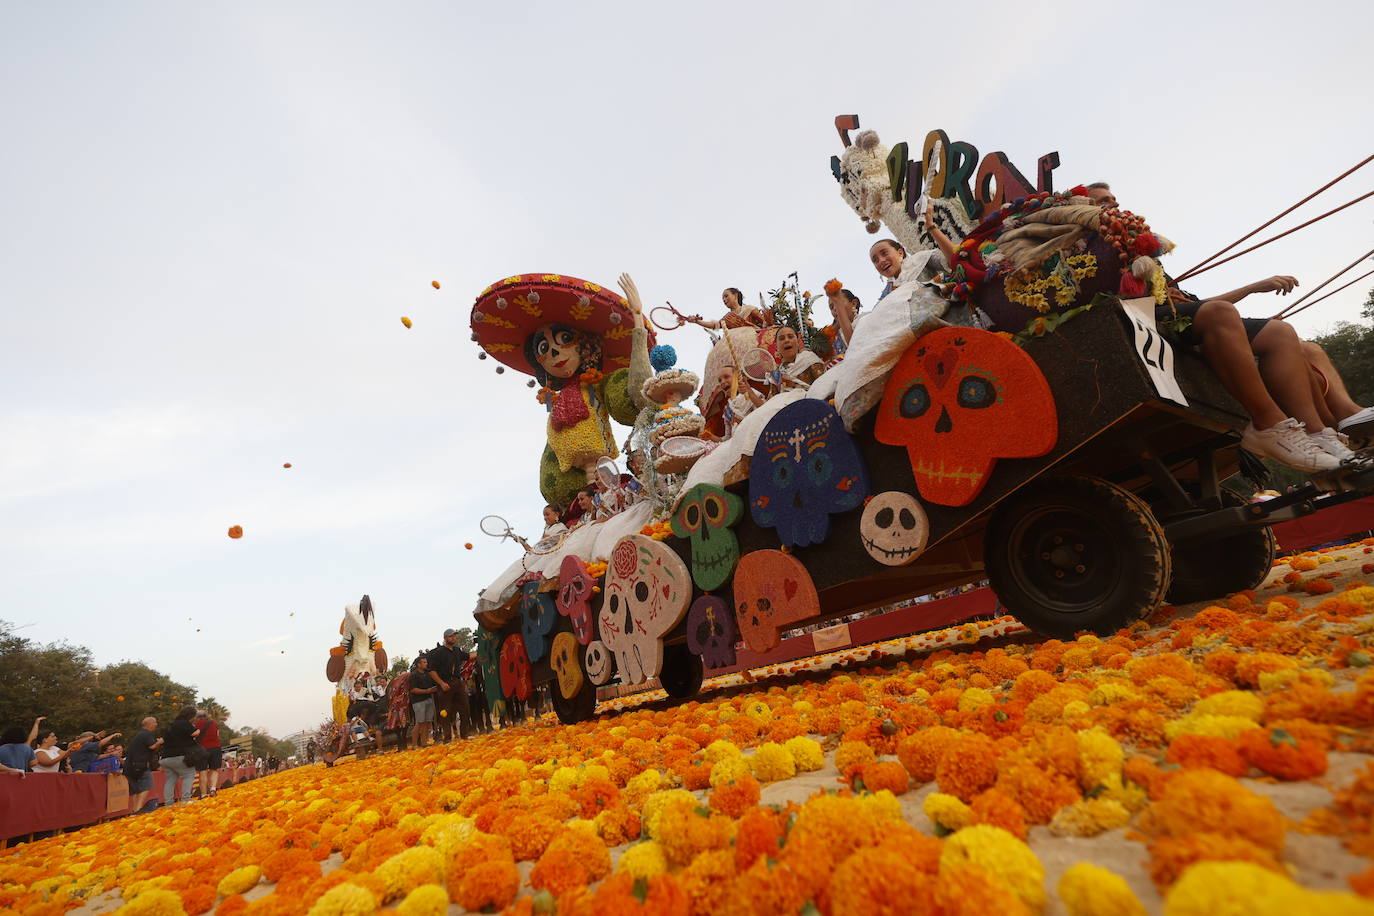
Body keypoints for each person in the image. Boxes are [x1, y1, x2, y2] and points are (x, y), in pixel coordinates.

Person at [1078, 183, 1371, 472]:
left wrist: (1254, 287)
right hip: (1137, 316)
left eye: (1114, 198)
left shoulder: (1138, 250)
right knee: (1224, 314)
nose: (1113, 203)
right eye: (1103, 200)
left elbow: (1198, 307)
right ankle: (1269, 426)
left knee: (1281, 333)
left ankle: (1320, 434)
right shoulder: (1087, 249)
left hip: (1182, 314)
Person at [428, 629, 471, 740]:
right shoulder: (438, 652)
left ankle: (464, 735)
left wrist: (484, 650)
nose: (453, 638)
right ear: (445, 638)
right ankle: (447, 738)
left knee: (465, 708)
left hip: (457, 682)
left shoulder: (457, 650)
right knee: (445, 711)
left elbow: (469, 656)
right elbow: (431, 671)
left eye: (454, 636)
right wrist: (441, 683)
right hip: (445, 683)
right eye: (451, 636)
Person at [160, 707, 201, 807]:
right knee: (188, 775)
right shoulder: (184, 723)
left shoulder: (171, 725)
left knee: (170, 780)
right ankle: (186, 800)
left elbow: (163, 740)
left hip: (166, 757)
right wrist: (198, 729)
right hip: (180, 755)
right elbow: (195, 733)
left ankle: (168, 803)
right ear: (191, 716)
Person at [125, 717, 163, 813]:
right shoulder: (147, 734)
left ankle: (134, 810)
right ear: (149, 724)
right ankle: (138, 809)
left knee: (135, 789)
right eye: (155, 722)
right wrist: (160, 742)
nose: (156, 724)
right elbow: (152, 746)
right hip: (140, 765)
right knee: (147, 785)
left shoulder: (138, 735)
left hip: (129, 766)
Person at [688, 287, 767, 331]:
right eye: (723, 298)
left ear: (735, 295)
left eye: (726, 296)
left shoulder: (749, 309)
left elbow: (764, 322)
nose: (724, 300)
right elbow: (713, 325)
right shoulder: (727, 318)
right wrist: (696, 321)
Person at [408, 655, 444, 747]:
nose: (426, 664)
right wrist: (427, 691)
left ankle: (424, 742)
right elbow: (412, 689)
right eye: (424, 662)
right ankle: (414, 745)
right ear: (418, 664)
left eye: (426, 662)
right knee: (419, 723)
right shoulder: (414, 675)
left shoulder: (428, 673)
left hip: (429, 699)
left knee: (427, 722)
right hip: (418, 701)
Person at [194, 710, 223, 798]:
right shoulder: (214, 723)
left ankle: (203, 794)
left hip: (202, 749)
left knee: (202, 771)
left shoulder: (196, 725)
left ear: (197, 717)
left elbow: (194, 737)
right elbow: (218, 735)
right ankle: (213, 789)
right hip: (215, 747)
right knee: (214, 769)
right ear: (206, 716)